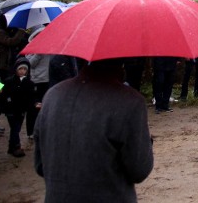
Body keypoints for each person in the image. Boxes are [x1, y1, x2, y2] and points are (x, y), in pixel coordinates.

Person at [34, 59, 154, 201]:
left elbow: (40, 164)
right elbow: (139, 170)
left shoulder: (52, 96)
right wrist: (145, 140)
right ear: (123, 62)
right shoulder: (130, 102)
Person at [0, 57, 36, 158]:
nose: (22, 71)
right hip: (11, 109)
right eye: (20, 69)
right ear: (16, 69)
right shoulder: (9, 82)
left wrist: (32, 105)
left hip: (21, 110)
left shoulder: (29, 83)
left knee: (16, 128)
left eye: (24, 69)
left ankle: (12, 147)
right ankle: (16, 146)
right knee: (15, 128)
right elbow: (4, 95)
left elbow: (31, 97)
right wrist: (8, 103)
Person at [0, 15, 27, 82]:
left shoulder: (4, 31)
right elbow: (10, 42)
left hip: (5, 62)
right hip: (2, 63)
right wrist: (21, 31)